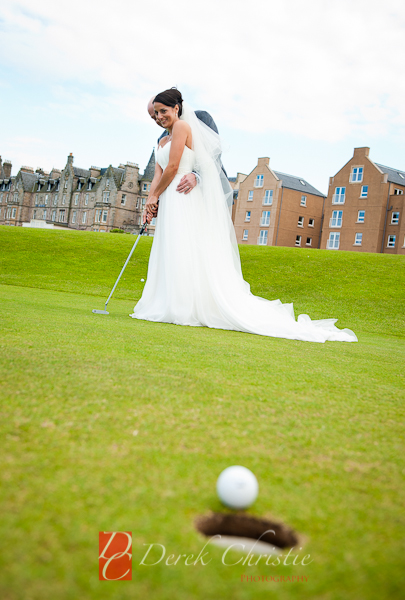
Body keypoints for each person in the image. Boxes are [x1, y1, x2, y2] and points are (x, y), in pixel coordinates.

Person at [130, 88, 357, 343]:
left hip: (185, 198)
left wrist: (156, 194)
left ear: (176, 108)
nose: (159, 117)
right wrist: (152, 200)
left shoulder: (185, 126)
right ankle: (166, 302)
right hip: (169, 199)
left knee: (186, 247)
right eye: (154, 115)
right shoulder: (162, 140)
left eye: (162, 112)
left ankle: (185, 306)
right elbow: (159, 173)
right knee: (170, 247)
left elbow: (177, 167)